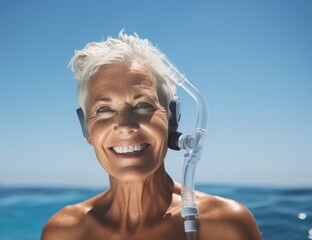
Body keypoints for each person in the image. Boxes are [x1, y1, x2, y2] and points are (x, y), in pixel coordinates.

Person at [41, 31, 262, 240]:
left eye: (143, 105)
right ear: (86, 128)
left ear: (173, 119)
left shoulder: (226, 225)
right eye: (104, 110)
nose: (124, 125)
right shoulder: (65, 232)